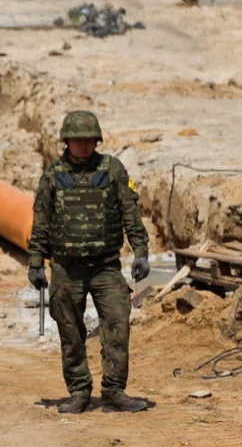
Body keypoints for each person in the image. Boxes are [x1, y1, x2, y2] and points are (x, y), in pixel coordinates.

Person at [27, 110, 150, 414]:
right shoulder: (53, 176)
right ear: (66, 142)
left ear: (97, 141)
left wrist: (141, 251)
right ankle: (79, 391)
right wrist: (35, 263)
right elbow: (41, 221)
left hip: (106, 266)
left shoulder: (113, 170)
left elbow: (129, 212)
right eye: (77, 140)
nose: (83, 146)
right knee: (70, 332)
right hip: (66, 269)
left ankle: (114, 391)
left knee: (118, 326)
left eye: (89, 140)